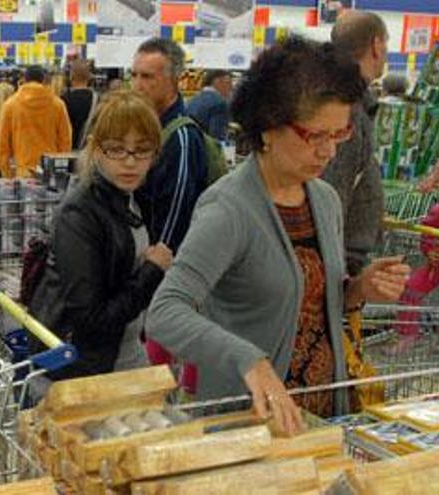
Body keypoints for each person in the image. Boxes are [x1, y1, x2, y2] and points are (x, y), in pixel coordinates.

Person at [146, 37, 410, 435]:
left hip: (321, 420)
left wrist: (357, 288)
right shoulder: (228, 210)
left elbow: (317, 301)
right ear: (268, 128)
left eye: (339, 135)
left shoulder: (323, 199)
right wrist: (249, 360)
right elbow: (165, 312)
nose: (329, 152)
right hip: (251, 426)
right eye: (315, 135)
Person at [29, 89, 171, 386]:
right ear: (96, 149)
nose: (130, 162)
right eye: (116, 149)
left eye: (142, 149)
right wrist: (151, 272)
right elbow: (91, 320)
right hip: (83, 373)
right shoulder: (79, 214)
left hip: (123, 354)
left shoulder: (133, 196)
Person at [322, 12, 389, 277]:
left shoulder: (340, 98)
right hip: (338, 262)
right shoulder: (348, 108)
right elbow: (332, 190)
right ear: (376, 45)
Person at [131, 38, 209, 253]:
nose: (137, 85)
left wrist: (152, 271)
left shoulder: (182, 138)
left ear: (174, 80)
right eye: (134, 75)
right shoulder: (144, 128)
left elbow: (175, 218)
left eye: (147, 77)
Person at [0, 65, 72, 178]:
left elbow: (3, 143)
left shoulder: (10, 105)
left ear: (24, 80)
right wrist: (59, 167)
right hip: (50, 171)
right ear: (43, 80)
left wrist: (5, 172)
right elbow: (65, 139)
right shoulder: (58, 105)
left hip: (22, 171)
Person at [185, 69, 233, 141]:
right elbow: (217, 138)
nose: (231, 88)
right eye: (228, 83)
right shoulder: (219, 103)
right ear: (217, 82)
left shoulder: (193, 100)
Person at [62, 59, 97, 150]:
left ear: (71, 76)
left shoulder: (63, 100)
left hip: (66, 151)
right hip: (88, 152)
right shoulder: (98, 100)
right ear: (89, 77)